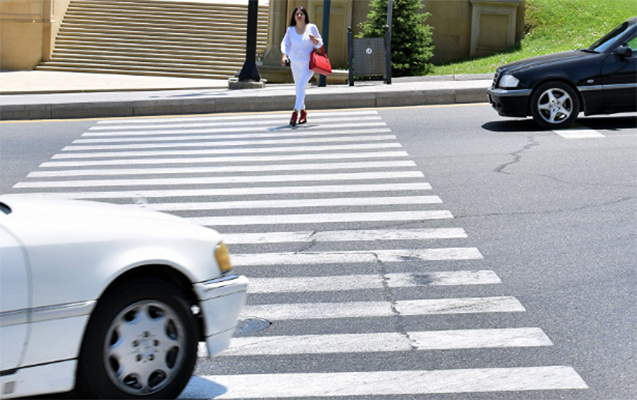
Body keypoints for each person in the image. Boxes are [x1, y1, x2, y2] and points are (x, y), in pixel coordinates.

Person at [280, 6, 323, 126]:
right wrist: (284, 56)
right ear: (294, 17)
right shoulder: (290, 30)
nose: (299, 16)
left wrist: (314, 40)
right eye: (297, 14)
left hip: (308, 63)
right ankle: (303, 112)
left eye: (301, 14)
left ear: (305, 16)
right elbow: (285, 43)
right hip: (295, 62)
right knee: (298, 88)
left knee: (301, 85)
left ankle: (295, 112)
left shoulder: (312, 28)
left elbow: (320, 43)